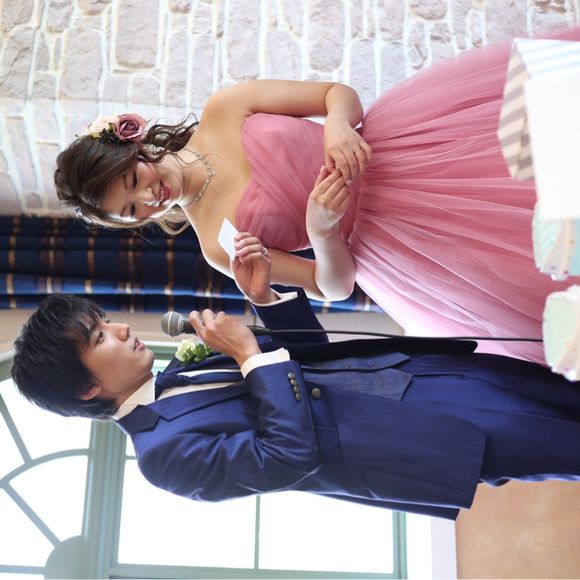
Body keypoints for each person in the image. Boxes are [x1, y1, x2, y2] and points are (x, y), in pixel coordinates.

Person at [54, 27, 580, 364]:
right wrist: (322, 233)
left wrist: (337, 128)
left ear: (135, 147)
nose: (149, 199)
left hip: (404, 149)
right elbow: (334, 286)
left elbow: (336, 95)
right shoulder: (217, 244)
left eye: (133, 182)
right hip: (404, 240)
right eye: (131, 211)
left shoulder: (225, 109)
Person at [12, 233, 580, 520]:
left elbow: (311, 357)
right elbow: (287, 456)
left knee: (564, 386)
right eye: (100, 338)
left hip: (416, 371)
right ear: (86, 389)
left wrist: (265, 299)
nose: (119, 329)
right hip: (417, 433)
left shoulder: (183, 371)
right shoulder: (163, 457)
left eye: (104, 321)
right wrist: (248, 356)